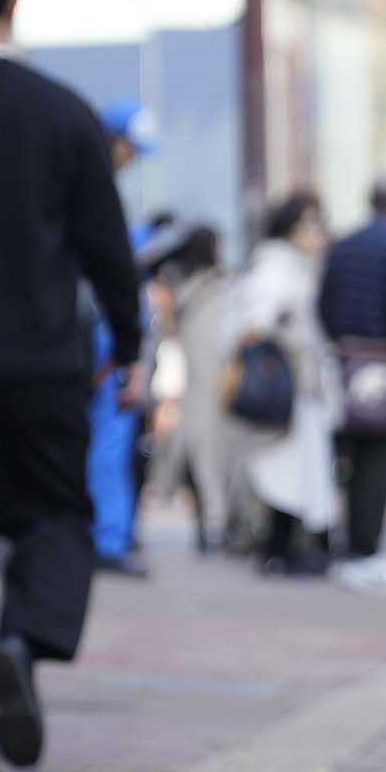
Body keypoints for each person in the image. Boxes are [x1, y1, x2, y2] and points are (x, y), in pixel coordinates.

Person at [0, 0, 144, 772]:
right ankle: (21, 640)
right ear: (13, 3)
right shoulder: (60, 113)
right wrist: (130, 345)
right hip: (41, 359)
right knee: (53, 512)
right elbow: (108, 248)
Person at [318, 174, 386, 589]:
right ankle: (366, 548)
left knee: (342, 456)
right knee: (377, 459)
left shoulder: (343, 245)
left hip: (344, 359)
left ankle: (343, 542)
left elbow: (325, 304)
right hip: (382, 358)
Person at [230, 191, 339, 576]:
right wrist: (285, 324)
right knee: (285, 465)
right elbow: (253, 324)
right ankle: (279, 547)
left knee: (304, 469)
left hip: (306, 384)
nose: (316, 234)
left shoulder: (305, 266)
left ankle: (295, 547)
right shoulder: (274, 267)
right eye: (308, 225)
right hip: (287, 385)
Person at [86, 100, 159, 579]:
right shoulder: (94, 193)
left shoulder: (97, 191)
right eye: (130, 148)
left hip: (104, 334)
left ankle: (107, 534)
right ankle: (107, 539)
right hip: (103, 337)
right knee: (108, 444)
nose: (131, 159)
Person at [148, 226, 233, 551]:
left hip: (191, 383)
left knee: (194, 455)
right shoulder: (223, 285)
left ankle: (205, 521)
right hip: (220, 380)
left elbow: (164, 332)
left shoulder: (178, 288)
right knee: (218, 456)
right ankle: (219, 522)